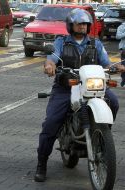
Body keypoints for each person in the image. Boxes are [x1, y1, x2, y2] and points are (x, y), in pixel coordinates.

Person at [34, 8, 121, 182]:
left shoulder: (95, 44)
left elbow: (106, 62)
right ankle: (41, 162)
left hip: (91, 86)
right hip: (67, 86)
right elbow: (52, 57)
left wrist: (116, 67)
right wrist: (49, 65)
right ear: (71, 25)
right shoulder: (62, 42)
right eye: (79, 23)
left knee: (114, 101)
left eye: (85, 24)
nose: (82, 27)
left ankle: (101, 135)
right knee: (51, 122)